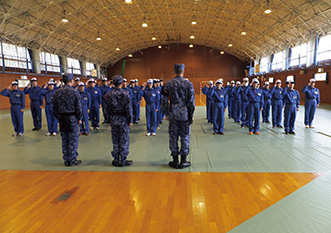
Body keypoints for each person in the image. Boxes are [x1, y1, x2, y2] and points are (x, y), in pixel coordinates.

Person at [162, 64, 195, 169]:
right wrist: (191, 115)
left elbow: (163, 100)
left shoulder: (168, 84)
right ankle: (183, 161)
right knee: (185, 137)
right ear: (183, 71)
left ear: (174, 71)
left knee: (173, 137)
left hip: (173, 115)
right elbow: (191, 102)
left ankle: (175, 160)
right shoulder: (188, 84)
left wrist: (166, 113)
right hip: (184, 115)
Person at [52, 73, 83, 167]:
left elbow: (54, 108)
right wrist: (79, 118)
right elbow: (78, 107)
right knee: (73, 139)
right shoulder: (74, 92)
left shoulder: (57, 92)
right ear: (71, 81)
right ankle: (72, 159)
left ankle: (66, 159)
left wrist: (59, 117)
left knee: (65, 139)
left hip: (62, 118)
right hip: (72, 117)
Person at [104, 75, 133, 167]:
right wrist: (130, 120)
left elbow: (106, 109)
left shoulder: (108, 95)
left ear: (113, 83)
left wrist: (107, 119)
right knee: (124, 140)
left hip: (114, 118)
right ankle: (123, 160)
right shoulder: (125, 94)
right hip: (123, 119)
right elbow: (129, 109)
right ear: (122, 83)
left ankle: (116, 160)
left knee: (115, 140)